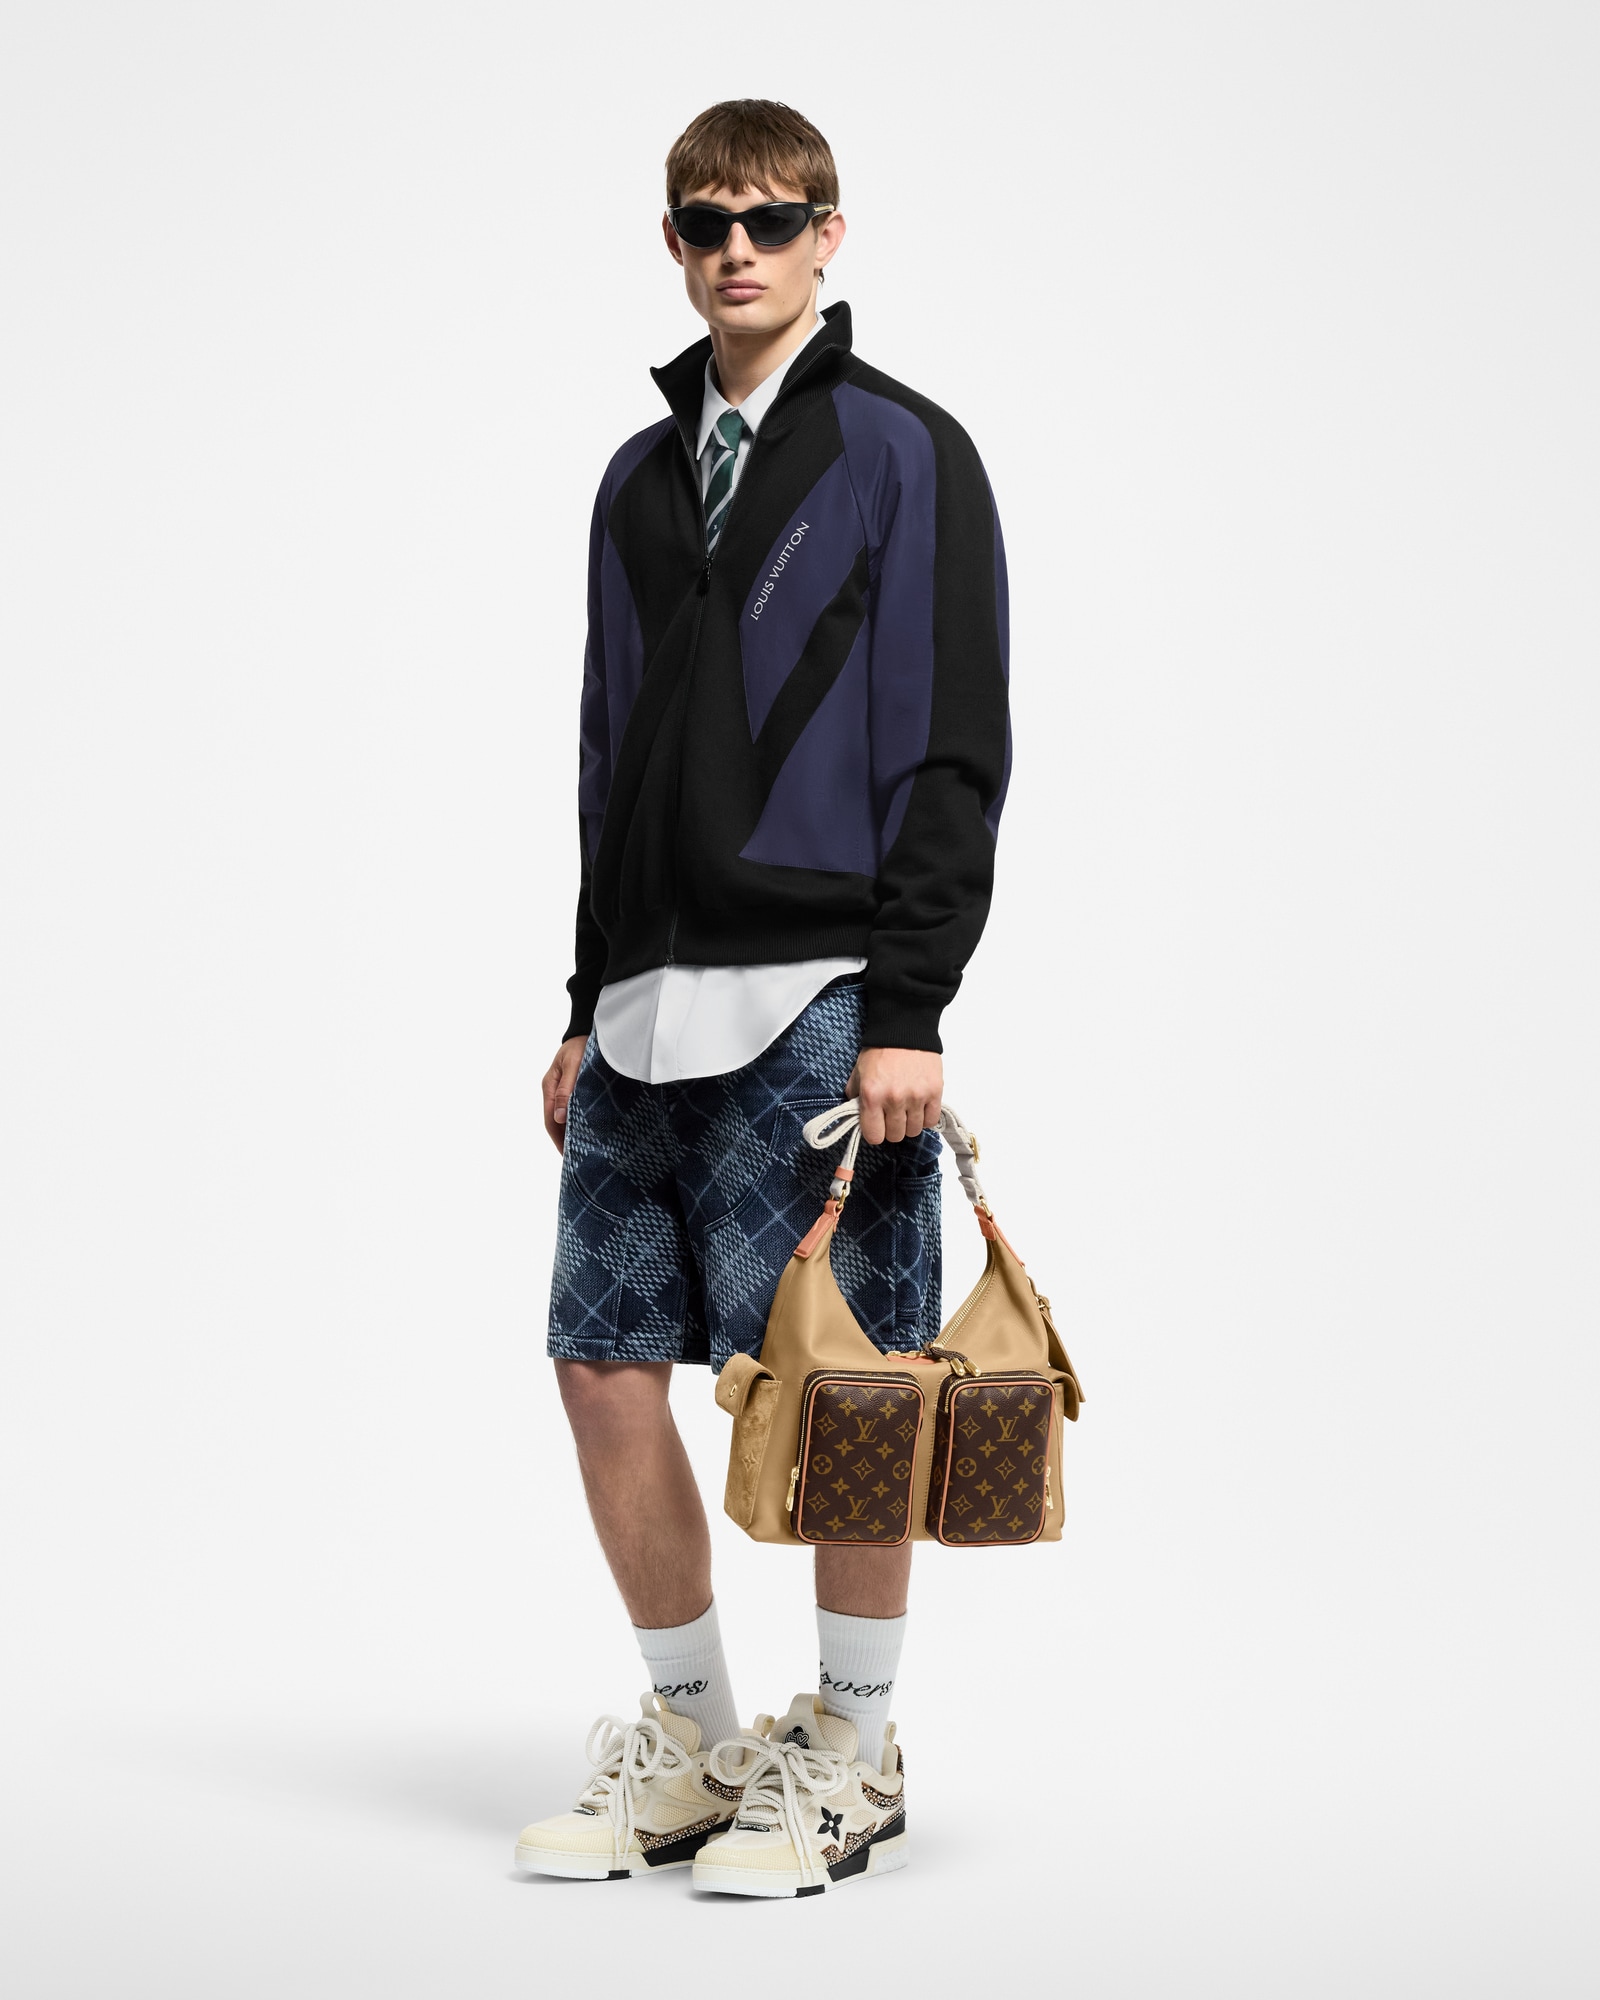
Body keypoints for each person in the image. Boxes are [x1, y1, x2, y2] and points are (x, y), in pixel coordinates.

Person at [513, 98, 1011, 1897]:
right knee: (602, 1367)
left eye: (775, 220)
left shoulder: (903, 450)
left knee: (847, 1384)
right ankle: (700, 1743)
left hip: (821, 998)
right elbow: (609, 752)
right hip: (644, 1004)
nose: (743, 248)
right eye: (711, 221)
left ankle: (854, 1753)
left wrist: (911, 1006)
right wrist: (586, 994)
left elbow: (954, 743)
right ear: (674, 243)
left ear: (828, 237)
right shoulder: (637, 483)